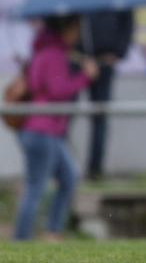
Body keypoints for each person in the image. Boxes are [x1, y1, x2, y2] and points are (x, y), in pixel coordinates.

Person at [56, 0, 135, 180]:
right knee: (65, 115)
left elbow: (127, 23)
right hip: (74, 62)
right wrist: (70, 53)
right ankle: (62, 169)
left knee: (100, 116)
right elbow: (58, 22)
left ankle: (95, 170)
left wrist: (116, 53)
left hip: (103, 62)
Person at [14, 15, 98, 241]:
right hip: (43, 129)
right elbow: (58, 91)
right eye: (76, 28)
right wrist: (85, 77)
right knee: (35, 189)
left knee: (69, 178)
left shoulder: (43, 51)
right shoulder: (53, 55)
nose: (78, 34)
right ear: (66, 29)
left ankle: (52, 232)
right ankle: (21, 241)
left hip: (46, 130)